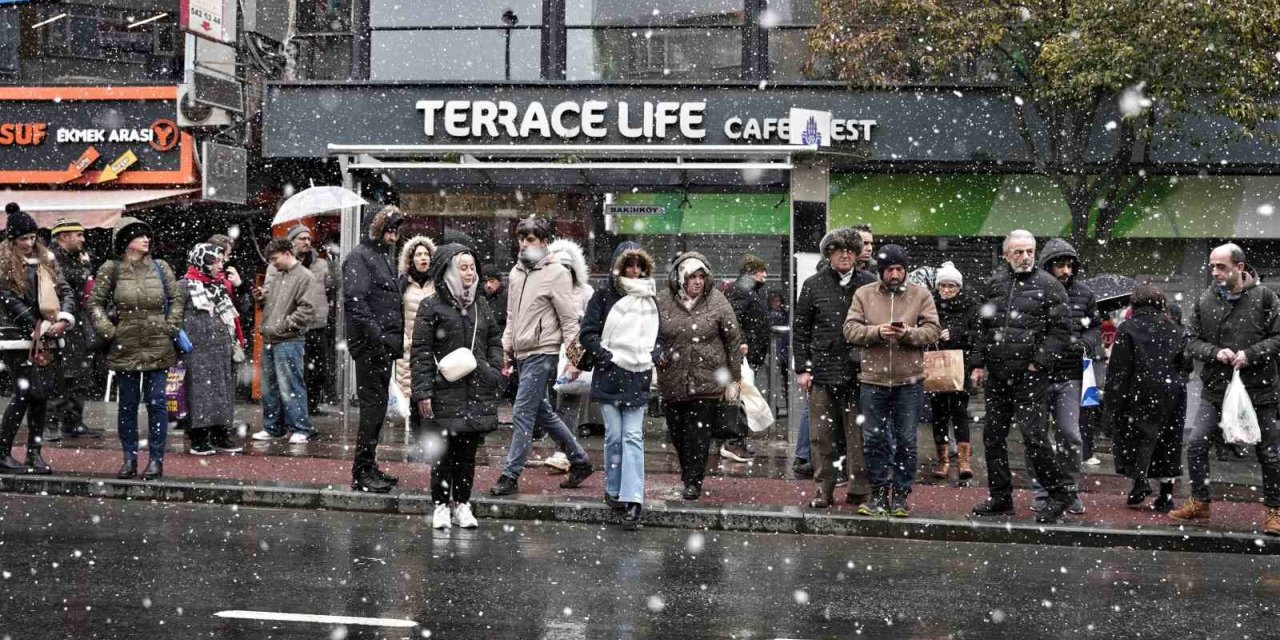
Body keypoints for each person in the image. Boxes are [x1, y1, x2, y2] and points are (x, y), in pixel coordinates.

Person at [969, 229, 1077, 524]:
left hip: (1030, 377)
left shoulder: (1050, 285)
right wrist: (977, 365)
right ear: (1006, 255)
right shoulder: (994, 284)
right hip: (998, 374)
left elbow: (1061, 330)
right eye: (1018, 252)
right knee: (992, 437)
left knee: (1034, 437)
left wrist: (1038, 363)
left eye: (1030, 251)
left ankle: (1059, 492)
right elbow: (982, 328)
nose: (1025, 257)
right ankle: (1001, 497)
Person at [1174, 243, 1280, 536]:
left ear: (1240, 267)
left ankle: (1275, 511)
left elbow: (1278, 337)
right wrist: (1215, 352)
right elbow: (1191, 340)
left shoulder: (1266, 298)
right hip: (1217, 388)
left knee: (1269, 454)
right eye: (1211, 266)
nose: (1215, 272)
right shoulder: (1205, 300)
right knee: (1196, 445)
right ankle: (1200, 501)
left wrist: (1251, 354)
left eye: (1221, 266)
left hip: (1260, 390)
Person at [490, 217, 594, 496]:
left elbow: (570, 320)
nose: (525, 244)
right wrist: (506, 348)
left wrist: (574, 359)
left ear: (544, 242)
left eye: (531, 239)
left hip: (543, 351)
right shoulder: (516, 272)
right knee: (543, 413)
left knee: (523, 413)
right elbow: (512, 316)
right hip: (523, 352)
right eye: (522, 238)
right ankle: (580, 460)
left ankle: (510, 475)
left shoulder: (557, 273)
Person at [411, 244, 502, 531]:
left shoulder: (480, 304)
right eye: (462, 267)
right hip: (443, 390)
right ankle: (440, 504)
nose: (469, 272)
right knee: (443, 453)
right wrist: (423, 391)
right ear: (448, 270)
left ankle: (462, 504)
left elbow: (494, 341)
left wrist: (491, 369)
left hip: (475, 390)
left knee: (467, 453)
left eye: (472, 267)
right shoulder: (431, 306)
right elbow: (421, 351)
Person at [844, 244, 940, 517]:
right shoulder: (864, 294)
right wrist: (876, 332)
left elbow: (933, 330)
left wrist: (907, 334)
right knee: (874, 440)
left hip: (909, 381)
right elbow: (850, 329)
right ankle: (877, 492)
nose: (895, 274)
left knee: (906, 441)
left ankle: (900, 494)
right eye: (890, 270)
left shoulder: (921, 295)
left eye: (900, 269)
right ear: (881, 272)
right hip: (872, 380)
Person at [89, 217, 185, 481]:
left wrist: (171, 326)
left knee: (157, 403)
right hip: (125, 343)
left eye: (147, 235)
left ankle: (156, 460)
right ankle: (129, 458)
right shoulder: (112, 268)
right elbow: (95, 303)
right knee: (128, 405)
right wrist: (110, 331)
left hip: (158, 342)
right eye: (139, 236)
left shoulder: (160, 267)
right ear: (125, 241)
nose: (146, 239)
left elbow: (177, 298)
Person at [579, 242, 660, 530]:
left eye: (639, 265)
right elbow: (587, 332)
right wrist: (605, 355)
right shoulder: (603, 296)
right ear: (620, 266)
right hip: (611, 374)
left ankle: (633, 500)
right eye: (629, 265)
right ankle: (614, 490)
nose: (635, 271)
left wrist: (655, 353)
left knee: (633, 437)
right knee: (615, 436)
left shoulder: (650, 298)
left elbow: (658, 334)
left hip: (637, 375)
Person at [793, 228, 875, 508]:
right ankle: (823, 489)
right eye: (839, 250)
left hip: (858, 372)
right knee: (821, 436)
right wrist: (802, 369)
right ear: (828, 254)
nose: (845, 255)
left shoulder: (869, 284)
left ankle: (859, 489)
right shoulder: (813, 284)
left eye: (850, 250)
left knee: (857, 436)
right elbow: (801, 330)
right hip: (823, 371)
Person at [656, 251, 743, 500]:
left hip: (708, 380)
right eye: (692, 277)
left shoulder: (717, 301)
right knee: (677, 432)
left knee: (699, 433)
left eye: (701, 276)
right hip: (672, 378)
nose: (697, 282)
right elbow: (654, 336)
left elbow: (733, 339)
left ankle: (694, 480)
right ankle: (688, 473)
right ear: (680, 278)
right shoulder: (663, 301)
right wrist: (658, 354)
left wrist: (734, 379)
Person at [0, 205, 75, 474]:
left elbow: (65, 290)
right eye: (23, 239)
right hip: (18, 338)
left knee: (40, 394)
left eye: (32, 238)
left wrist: (64, 318)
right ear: (12, 240)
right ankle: (3, 450)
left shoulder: (47, 260)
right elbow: (8, 300)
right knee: (24, 393)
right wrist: (36, 325)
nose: (29, 243)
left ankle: (34, 452)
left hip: (47, 335)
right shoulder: (4, 263)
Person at [1101, 284, 1188, 513]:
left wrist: (1112, 404)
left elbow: (1118, 371)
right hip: (1171, 393)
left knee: (1136, 437)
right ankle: (1166, 495)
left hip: (1137, 391)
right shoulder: (1175, 329)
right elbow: (1185, 364)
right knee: (1169, 441)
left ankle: (1139, 480)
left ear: (1135, 304)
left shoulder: (1128, 329)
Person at [1031, 238, 1102, 514]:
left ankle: (1070, 490)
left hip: (1071, 375)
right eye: (1060, 265)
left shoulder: (1084, 294)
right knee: (1036, 436)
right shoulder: (1033, 291)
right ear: (1048, 266)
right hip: (1038, 374)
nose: (1066, 271)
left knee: (1070, 436)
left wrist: (1084, 343)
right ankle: (1041, 490)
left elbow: (1095, 329)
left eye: (1070, 265)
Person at [343, 206, 406, 493]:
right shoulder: (360, 257)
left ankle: (368, 467)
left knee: (377, 410)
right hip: (372, 347)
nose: (395, 234)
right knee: (372, 410)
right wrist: (379, 338)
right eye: (390, 228)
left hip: (381, 346)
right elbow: (356, 302)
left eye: (396, 229)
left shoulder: (380, 256)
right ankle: (362, 471)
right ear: (377, 228)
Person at [252, 239, 319, 444]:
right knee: (270, 386)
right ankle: (276, 427)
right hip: (275, 337)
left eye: (275, 258)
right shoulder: (281, 276)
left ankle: (298, 427)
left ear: (287, 253)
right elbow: (281, 305)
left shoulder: (305, 277)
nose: (273, 263)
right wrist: (263, 298)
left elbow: (307, 310)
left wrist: (282, 325)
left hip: (288, 339)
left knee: (289, 385)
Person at [179, 243, 243, 455]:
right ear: (201, 262)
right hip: (196, 351)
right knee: (199, 392)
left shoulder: (220, 285)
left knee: (221, 391)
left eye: (220, 261)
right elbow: (174, 316)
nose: (220, 265)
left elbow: (234, 314)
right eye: (214, 261)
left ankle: (220, 433)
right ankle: (199, 437)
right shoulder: (184, 286)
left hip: (220, 349)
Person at [45, 216, 101, 441]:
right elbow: (65, 282)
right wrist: (86, 268)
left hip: (75, 325)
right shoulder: (50, 258)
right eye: (79, 235)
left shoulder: (73, 257)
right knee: (59, 376)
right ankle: (50, 424)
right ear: (63, 237)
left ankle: (73, 421)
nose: (83, 239)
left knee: (78, 376)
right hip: (57, 324)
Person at [929, 261, 976, 481]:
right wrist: (934, 335)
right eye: (943, 286)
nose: (946, 290)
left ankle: (964, 461)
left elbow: (977, 335)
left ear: (959, 287)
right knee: (938, 414)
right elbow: (922, 329)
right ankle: (943, 461)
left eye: (951, 286)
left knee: (960, 414)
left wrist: (956, 334)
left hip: (960, 367)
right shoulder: (930, 305)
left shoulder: (970, 306)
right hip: (936, 366)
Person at [720, 254, 770, 463]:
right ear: (750, 272)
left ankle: (735, 439)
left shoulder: (746, 290)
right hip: (741, 357)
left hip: (748, 356)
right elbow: (733, 319)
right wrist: (742, 341)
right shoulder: (740, 291)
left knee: (740, 397)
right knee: (738, 398)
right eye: (760, 271)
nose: (765, 275)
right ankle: (733, 441)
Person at [284, 224, 336, 414]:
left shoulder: (320, 264)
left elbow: (333, 285)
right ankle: (297, 409)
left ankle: (311, 406)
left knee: (318, 370)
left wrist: (334, 264)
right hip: (294, 325)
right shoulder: (285, 263)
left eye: (308, 239)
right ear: (292, 241)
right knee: (298, 370)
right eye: (302, 238)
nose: (307, 242)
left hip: (317, 324)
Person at [547, 238, 594, 434]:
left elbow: (591, 325)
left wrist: (577, 357)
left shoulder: (585, 292)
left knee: (569, 399)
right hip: (547, 349)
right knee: (547, 402)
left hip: (572, 351)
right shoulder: (544, 290)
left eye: (568, 267)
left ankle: (565, 448)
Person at [394, 235, 436, 449]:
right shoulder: (402, 284)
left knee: (430, 393)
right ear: (411, 259)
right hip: (408, 347)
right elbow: (396, 315)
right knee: (410, 394)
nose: (423, 258)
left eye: (426, 254)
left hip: (431, 348)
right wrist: (402, 340)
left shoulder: (438, 282)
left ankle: (431, 442)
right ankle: (418, 443)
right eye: (418, 254)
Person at [481, 263, 508, 335]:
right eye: (485, 281)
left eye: (491, 280)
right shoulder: (479, 298)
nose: (488, 285)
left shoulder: (507, 298)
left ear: (499, 281)